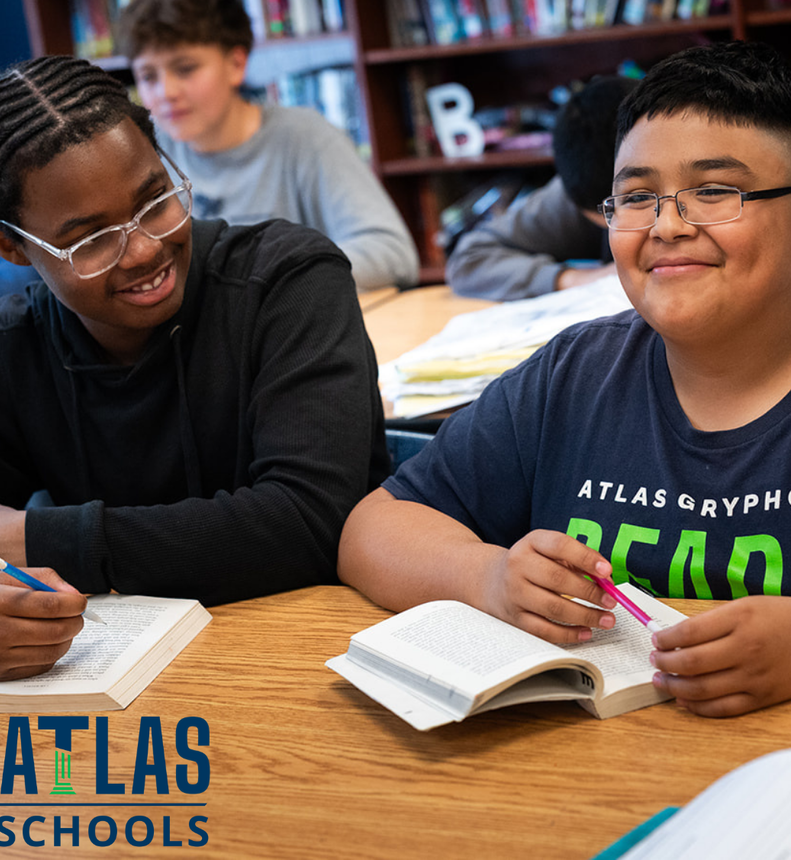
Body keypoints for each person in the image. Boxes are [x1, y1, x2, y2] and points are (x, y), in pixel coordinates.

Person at [338, 40, 791, 719]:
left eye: (713, 191)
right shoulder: (574, 377)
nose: (666, 225)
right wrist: (488, 577)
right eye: (636, 197)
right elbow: (371, 531)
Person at [0, 54, 388, 681]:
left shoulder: (288, 281)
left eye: (156, 200)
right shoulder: (3, 349)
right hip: (123, 685)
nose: (143, 249)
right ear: (12, 247)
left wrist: (41, 540)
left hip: (320, 658)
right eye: (90, 240)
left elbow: (311, 520)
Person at [116, 0, 419, 292]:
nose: (166, 92)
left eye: (186, 69)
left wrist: (266, 283)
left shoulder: (305, 137)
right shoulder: (144, 157)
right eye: (148, 76)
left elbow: (392, 253)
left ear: (236, 64)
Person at [445, 75, 639, 300]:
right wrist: (572, 279)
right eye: (610, 219)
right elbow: (468, 260)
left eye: (642, 201)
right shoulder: (577, 193)